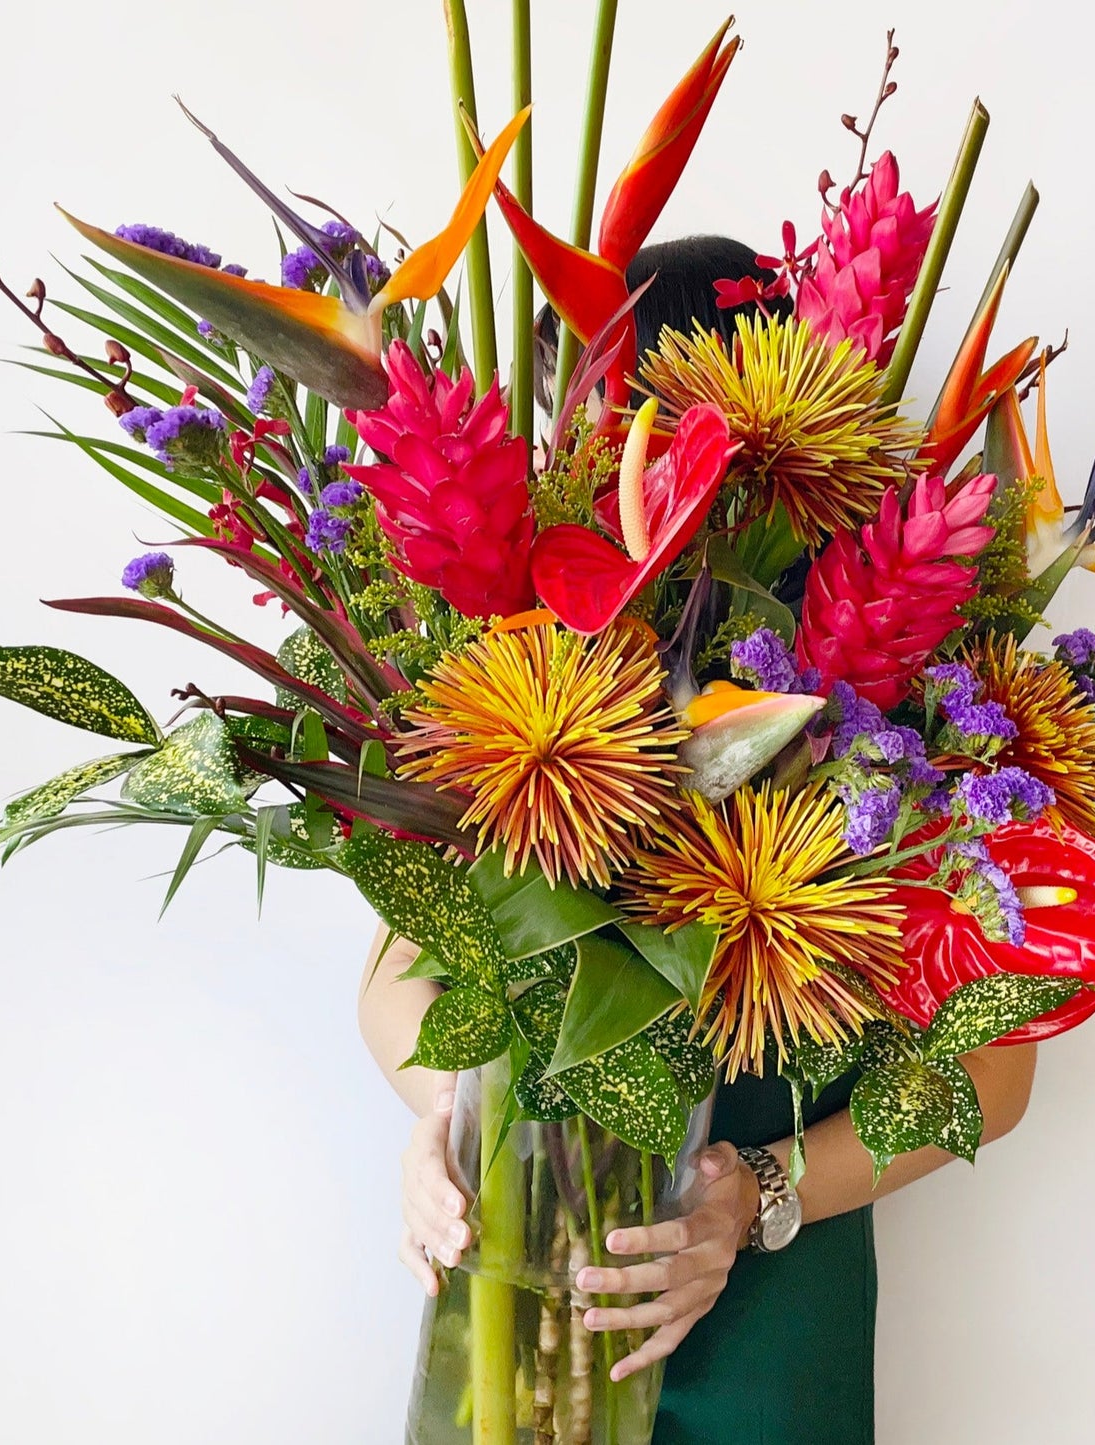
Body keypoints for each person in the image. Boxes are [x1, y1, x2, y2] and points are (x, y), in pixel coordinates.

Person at [358, 235, 1039, 1445]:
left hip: (773, 1321)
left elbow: (993, 1078)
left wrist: (756, 1196)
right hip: (515, 1282)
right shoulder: (521, 667)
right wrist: (444, 1123)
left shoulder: (902, 714)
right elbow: (391, 975)